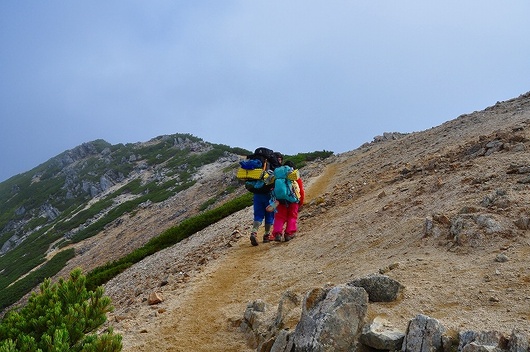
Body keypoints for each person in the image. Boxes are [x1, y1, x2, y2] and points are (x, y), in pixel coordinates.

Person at [249, 152, 283, 246]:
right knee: (269, 214)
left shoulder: (260, 167)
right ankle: (267, 235)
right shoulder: (276, 168)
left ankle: (254, 232)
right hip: (269, 194)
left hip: (257, 194)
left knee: (258, 215)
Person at [271, 160, 304, 242]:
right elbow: (301, 191)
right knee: (292, 216)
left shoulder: (278, 176)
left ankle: (277, 233)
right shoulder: (294, 177)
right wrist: (301, 201)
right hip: (293, 200)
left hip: (280, 200)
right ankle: (288, 234)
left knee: (279, 217)